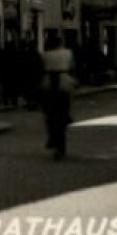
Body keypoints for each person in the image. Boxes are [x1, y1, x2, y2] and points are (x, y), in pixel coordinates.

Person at [41, 31, 77, 160]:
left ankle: (52, 136)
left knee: (48, 112)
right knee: (65, 106)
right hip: (63, 81)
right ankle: (67, 116)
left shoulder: (45, 55)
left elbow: (41, 68)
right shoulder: (68, 53)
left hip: (48, 82)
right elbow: (72, 67)